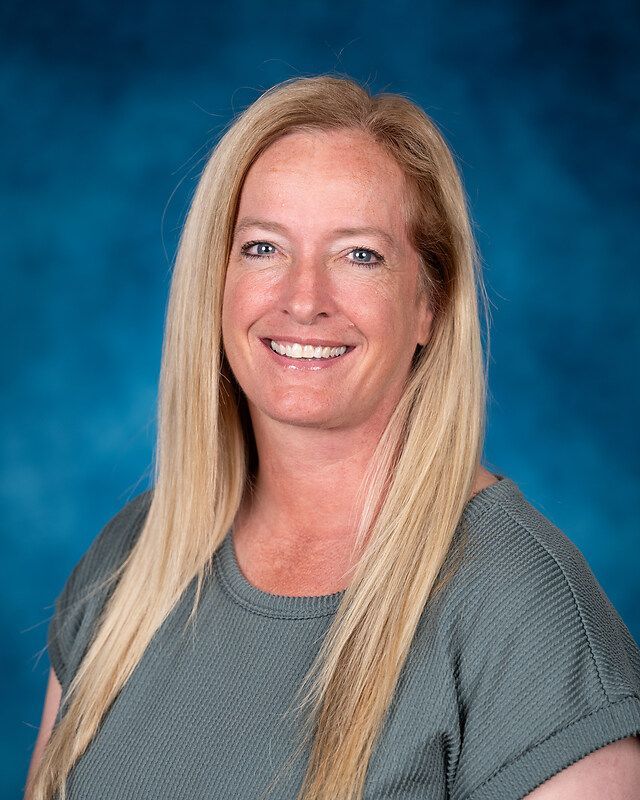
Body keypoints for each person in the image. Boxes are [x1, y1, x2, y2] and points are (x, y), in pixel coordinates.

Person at [25, 74, 640, 800]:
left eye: (359, 255)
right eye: (263, 248)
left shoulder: (525, 618)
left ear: (428, 306)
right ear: (214, 282)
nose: (303, 299)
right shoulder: (131, 564)